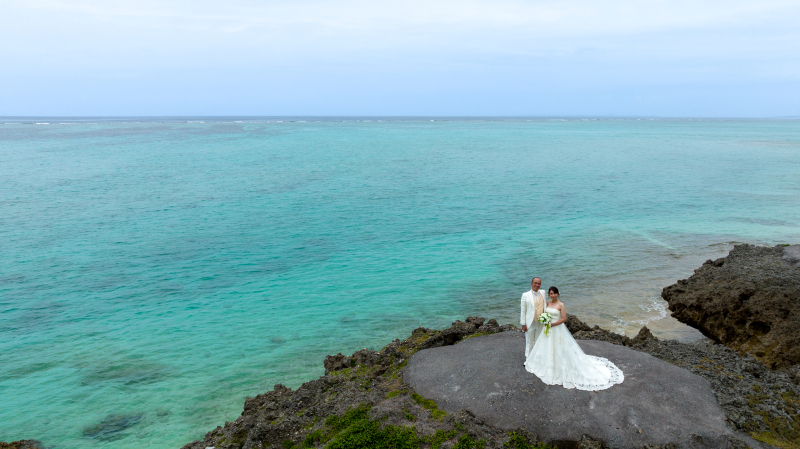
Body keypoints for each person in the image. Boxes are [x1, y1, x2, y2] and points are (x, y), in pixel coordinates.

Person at [524, 286, 624, 391]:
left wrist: (553, 324)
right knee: (546, 346)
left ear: (558, 294)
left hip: (556, 328)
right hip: (547, 328)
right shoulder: (547, 303)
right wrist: (543, 320)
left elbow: (564, 319)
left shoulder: (561, 305)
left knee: (558, 347)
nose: (552, 295)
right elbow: (540, 307)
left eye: (554, 293)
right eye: (551, 293)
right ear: (549, 294)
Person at [520, 277, 545, 358]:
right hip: (530, 322)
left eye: (539, 283)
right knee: (529, 342)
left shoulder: (543, 292)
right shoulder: (525, 295)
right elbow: (523, 310)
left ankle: (537, 358)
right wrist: (523, 324)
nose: (537, 285)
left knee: (539, 341)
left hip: (540, 322)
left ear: (540, 285)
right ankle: (528, 359)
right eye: (535, 283)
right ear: (531, 283)